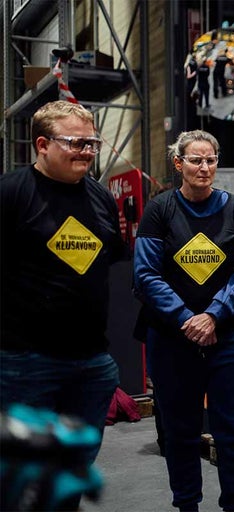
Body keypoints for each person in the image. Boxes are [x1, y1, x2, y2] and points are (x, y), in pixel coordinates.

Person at [0, 100, 124, 508]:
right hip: (25, 364)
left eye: (91, 143)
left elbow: (110, 261)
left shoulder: (101, 198)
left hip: (92, 365)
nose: (86, 152)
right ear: (41, 144)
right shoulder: (11, 193)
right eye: (74, 142)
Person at [133, 130, 234, 512]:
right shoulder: (159, 210)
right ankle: (186, 505)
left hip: (232, 336)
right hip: (173, 340)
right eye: (195, 160)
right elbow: (146, 275)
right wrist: (186, 319)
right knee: (180, 434)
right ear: (179, 164)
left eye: (210, 160)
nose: (204, 167)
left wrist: (213, 315)